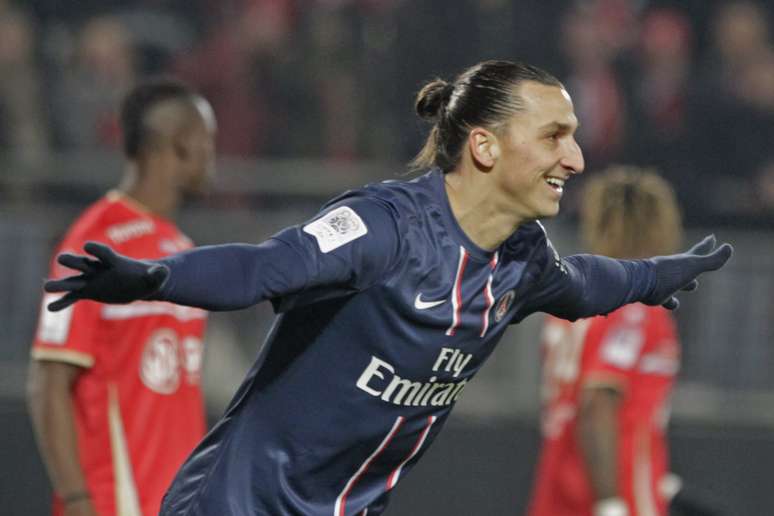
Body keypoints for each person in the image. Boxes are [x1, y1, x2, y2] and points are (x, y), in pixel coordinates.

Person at [43, 60, 732, 516]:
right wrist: (155, 277)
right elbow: (262, 268)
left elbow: (585, 283)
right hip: (238, 504)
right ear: (485, 147)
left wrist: (655, 275)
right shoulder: (384, 227)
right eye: (554, 136)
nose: (575, 158)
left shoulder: (523, 261)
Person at [27, 78, 217, 516]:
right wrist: (76, 499)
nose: (213, 154)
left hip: (175, 501)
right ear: (182, 142)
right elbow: (49, 378)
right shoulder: (95, 244)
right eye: (208, 139)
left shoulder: (182, 249)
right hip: (114, 500)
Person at [527, 166, 689, 516]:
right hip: (619, 492)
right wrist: (610, 504)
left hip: (557, 489)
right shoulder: (635, 306)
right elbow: (598, 403)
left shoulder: (574, 297)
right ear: (660, 224)